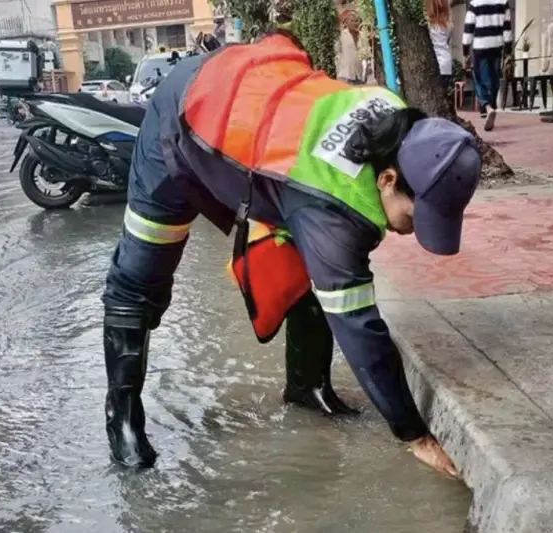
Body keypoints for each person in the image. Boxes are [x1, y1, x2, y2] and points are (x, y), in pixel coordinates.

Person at [101, 30, 480, 477]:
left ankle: (306, 386)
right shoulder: (333, 204)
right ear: (387, 180)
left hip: (264, 128)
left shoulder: (400, 125)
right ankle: (122, 418)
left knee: (305, 262)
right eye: (415, 219)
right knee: (142, 271)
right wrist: (413, 433)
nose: (411, 232)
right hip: (185, 116)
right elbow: (360, 326)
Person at [462, 0, 513, 130]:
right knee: (494, 79)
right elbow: (507, 28)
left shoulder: (475, 4)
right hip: (497, 46)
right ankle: (490, 108)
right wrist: (508, 52)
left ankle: (487, 107)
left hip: (480, 47)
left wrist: (465, 52)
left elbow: (468, 29)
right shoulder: (503, 2)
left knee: (479, 78)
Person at [426, 0, 453, 101]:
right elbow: (448, 38)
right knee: (443, 96)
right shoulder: (448, 23)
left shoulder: (427, 23)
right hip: (446, 61)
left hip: (433, 62)